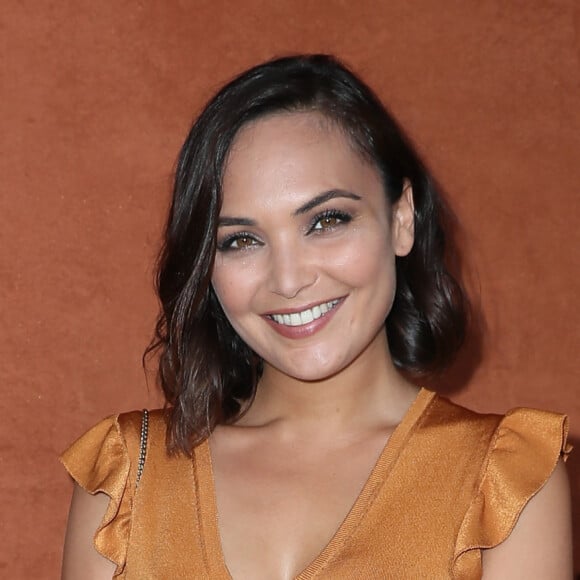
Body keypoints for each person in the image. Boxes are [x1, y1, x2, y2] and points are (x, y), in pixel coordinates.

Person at [60, 54, 573, 579]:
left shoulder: (504, 483)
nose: (288, 279)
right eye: (241, 240)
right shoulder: (124, 482)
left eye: (327, 220)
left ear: (402, 219)